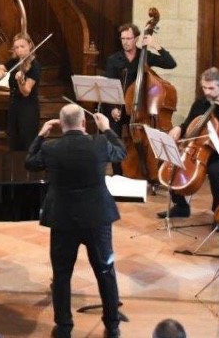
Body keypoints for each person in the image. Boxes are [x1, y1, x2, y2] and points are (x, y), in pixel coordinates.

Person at [25, 104, 125, 338]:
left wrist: (41, 135)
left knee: (61, 274)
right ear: (84, 123)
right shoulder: (100, 143)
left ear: (61, 124)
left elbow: (29, 162)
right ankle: (112, 326)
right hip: (97, 219)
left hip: (63, 219)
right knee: (105, 271)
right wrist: (107, 129)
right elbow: (121, 153)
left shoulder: (50, 148)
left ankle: (64, 327)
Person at [159, 67, 219, 219]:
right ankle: (181, 206)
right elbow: (189, 124)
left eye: (211, 88)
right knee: (169, 159)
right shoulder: (199, 104)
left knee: (216, 172)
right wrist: (179, 128)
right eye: (204, 87)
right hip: (196, 151)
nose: (207, 92)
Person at [104, 23, 177, 175]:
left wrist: (155, 45)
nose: (125, 42)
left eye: (129, 38)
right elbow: (109, 86)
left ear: (136, 38)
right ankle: (118, 175)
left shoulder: (145, 56)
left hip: (143, 110)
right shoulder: (113, 60)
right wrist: (113, 108)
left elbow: (171, 64)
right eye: (123, 38)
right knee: (113, 137)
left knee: (147, 140)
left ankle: (148, 172)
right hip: (121, 108)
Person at [0, 33, 41, 151]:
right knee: (13, 140)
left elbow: (26, 92)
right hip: (14, 106)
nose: (19, 50)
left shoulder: (34, 66)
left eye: (22, 46)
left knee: (26, 141)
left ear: (30, 46)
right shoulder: (14, 61)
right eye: (16, 47)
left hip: (28, 108)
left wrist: (20, 81)